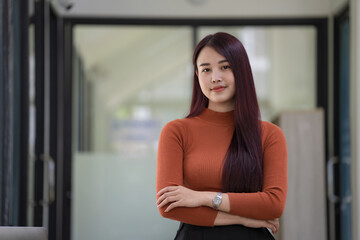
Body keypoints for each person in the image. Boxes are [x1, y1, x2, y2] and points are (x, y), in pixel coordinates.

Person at [156, 32, 287, 240]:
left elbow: (273, 204)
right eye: (206, 69)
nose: (215, 77)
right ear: (198, 76)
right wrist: (243, 218)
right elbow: (169, 207)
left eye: (225, 67)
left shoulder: (270, 135)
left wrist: (202, 197)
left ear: (241, 71)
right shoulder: (176, 131)